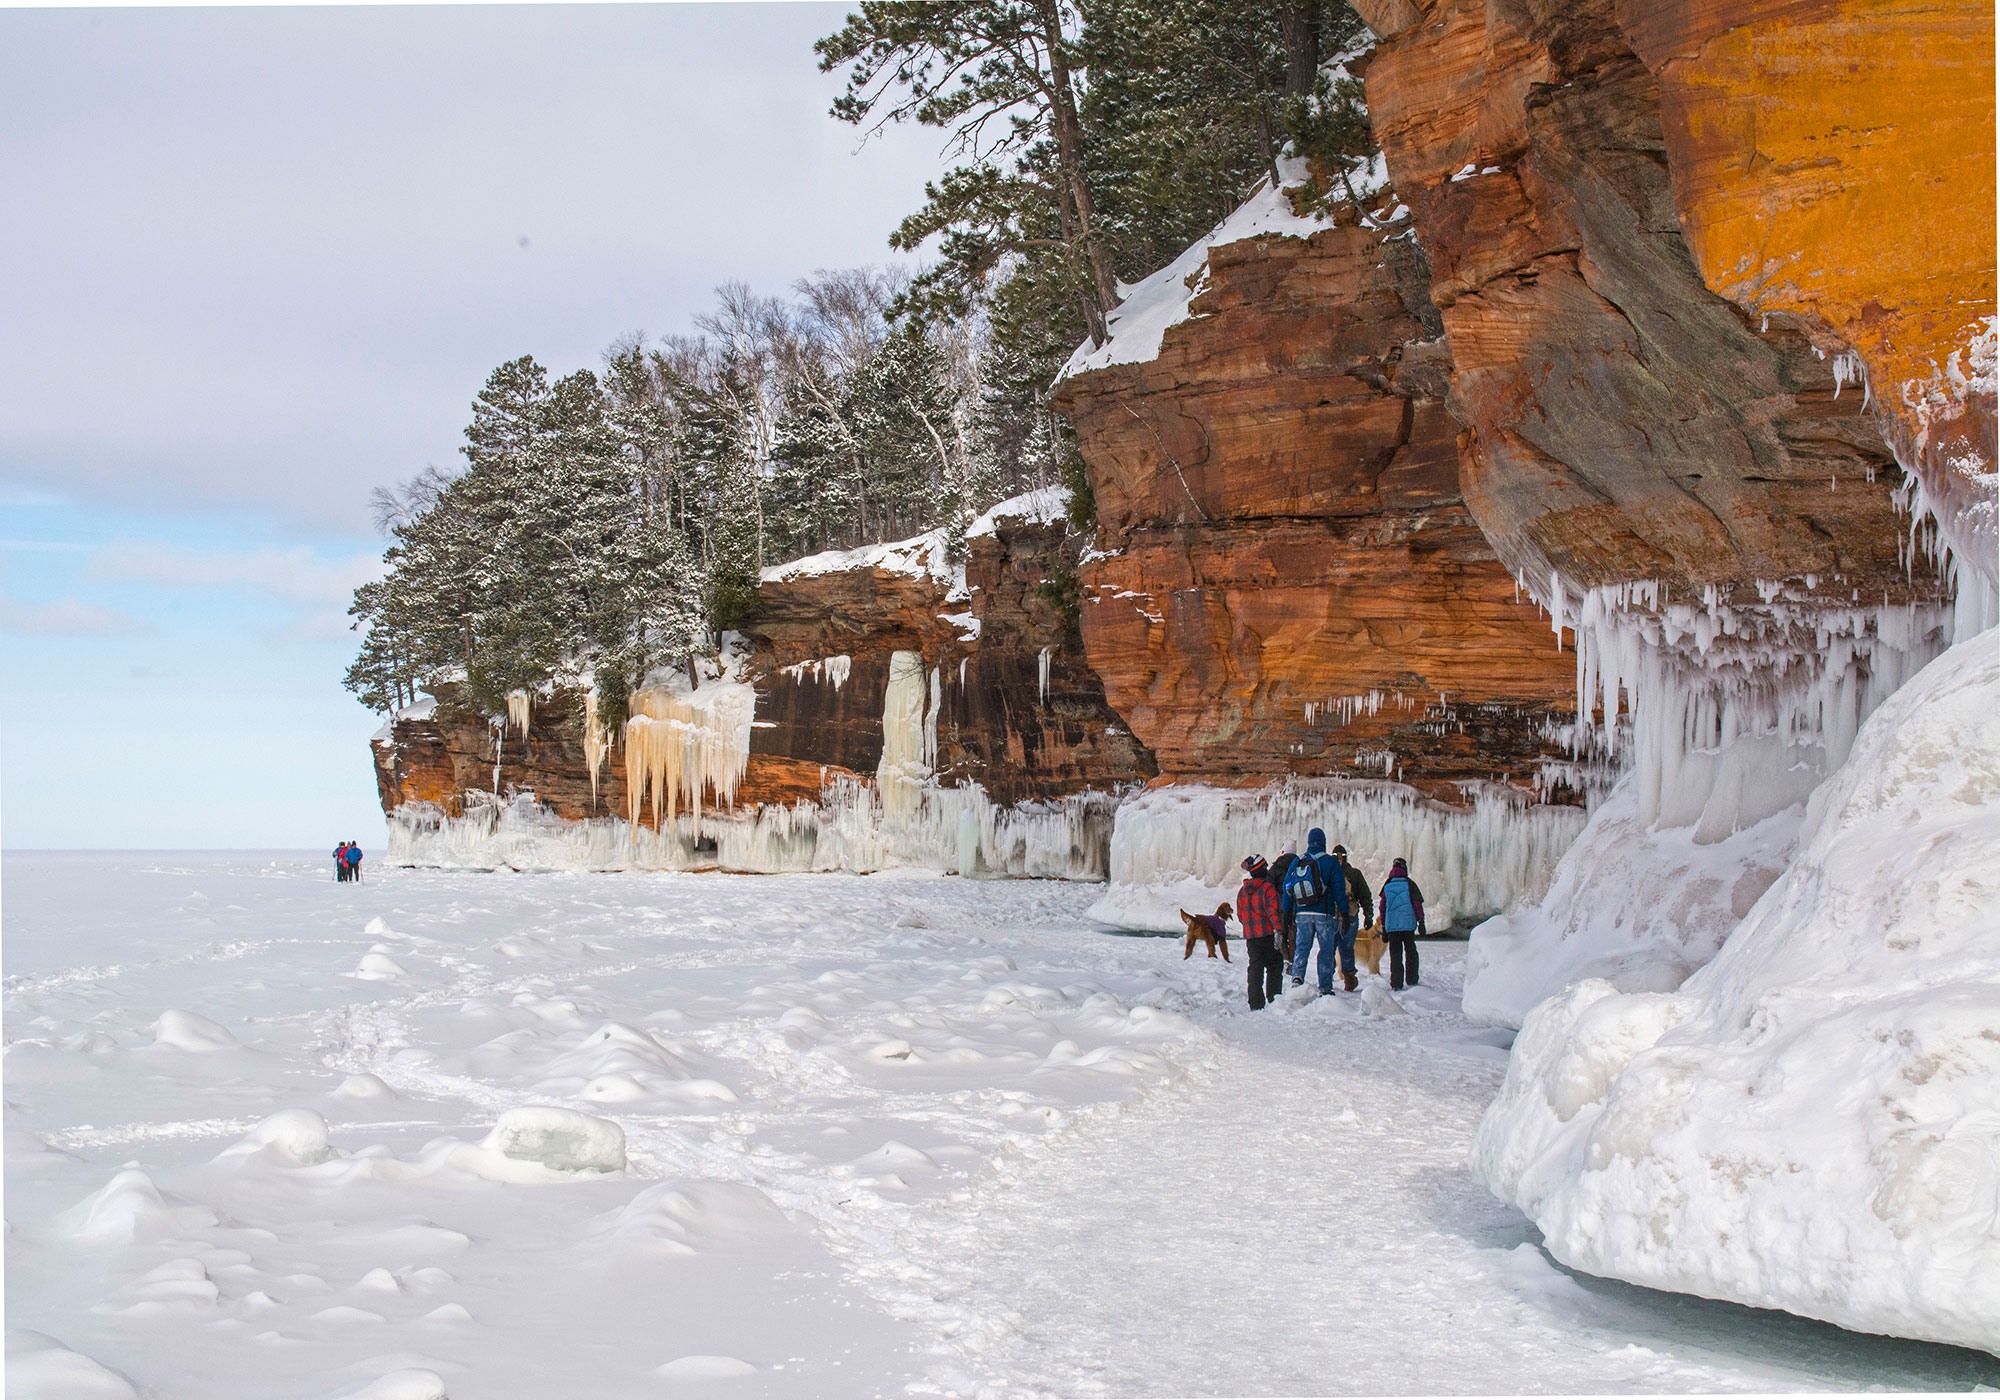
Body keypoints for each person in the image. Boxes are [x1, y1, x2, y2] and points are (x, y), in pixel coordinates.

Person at [1281, 827, 1351, 994]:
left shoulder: (1297, 861)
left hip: (1302, 913)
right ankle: (1325, 987)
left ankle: (1297, 978)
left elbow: (1287, 887)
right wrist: (1345, 913)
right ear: (1323, 842)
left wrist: (1286, 912)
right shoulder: (1330, 862)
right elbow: (1339, 890)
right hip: (1324, 914)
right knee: (1326, 950)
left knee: (1302, 947)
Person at [1235, 855, 1284, 1010]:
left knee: (1255, 967)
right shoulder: (1268, 888)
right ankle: (1274, 998)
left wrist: (1249, 928)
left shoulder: (1242, 891)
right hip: (1268, 934)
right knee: (1275, 965)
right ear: (1262, 869)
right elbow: (1273, 912)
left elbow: (1240, 915)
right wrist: (1278, 930)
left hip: (1252, 937)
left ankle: (1255, 1002)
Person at [1378, 857, 1427, 990]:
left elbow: (1382, 908)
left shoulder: (1387, 886)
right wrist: (1421, 921)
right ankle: (1412, 979)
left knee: (1395, 954)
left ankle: (1396, 983)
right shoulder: (1410, 884)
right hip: (1408, 926)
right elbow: (1417, 904)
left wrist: (1383, 927)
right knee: (1411, 951)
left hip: (1392, 927)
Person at [1331, 843, 1375, 964]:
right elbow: (1365, 896)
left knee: (1329, 950)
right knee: (1347, 949)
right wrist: (1368, 915)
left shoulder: (1328, 873)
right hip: (1350, 915)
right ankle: (1349, 979)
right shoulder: (1355, 874)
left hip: (1331, 916)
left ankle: (1327, 979)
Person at [1267, 839, 1300, 972]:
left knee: (1282, 933)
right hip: (1297, 907)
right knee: (1294, 935)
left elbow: (1268, 887)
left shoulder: (1276, 867)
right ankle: (1294, 962)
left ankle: (1285, 959)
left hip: (1280, 907)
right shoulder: (1301, 864)